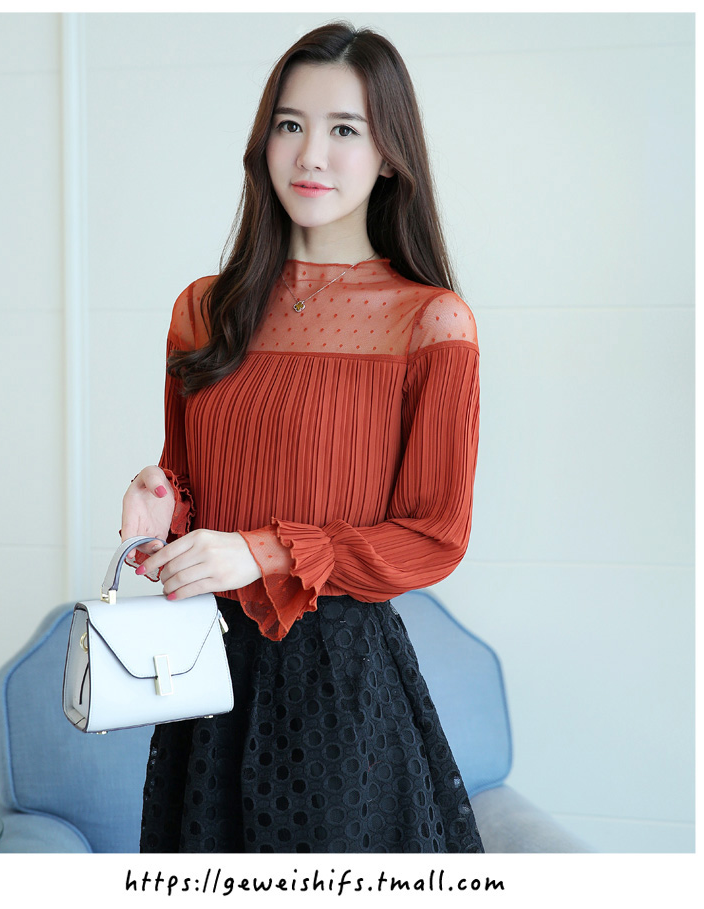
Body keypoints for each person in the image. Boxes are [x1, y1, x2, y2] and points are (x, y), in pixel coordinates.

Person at [121, 21, 483, 854]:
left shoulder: (430, 322)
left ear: (389, 155)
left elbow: (435, 535)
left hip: (341, 690)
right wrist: (162, 502)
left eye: (344, 129)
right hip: (204, 675)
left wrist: (264, 551)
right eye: (291, 124)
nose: (310, 154)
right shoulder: (203, 310)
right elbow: (194, 490)